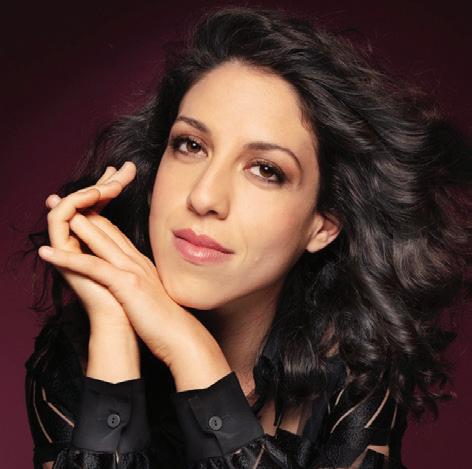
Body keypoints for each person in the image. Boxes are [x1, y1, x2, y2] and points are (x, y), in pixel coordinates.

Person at [23, 5, 472, 469]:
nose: (204, 197)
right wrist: (113, 336)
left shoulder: (354, 371)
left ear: (322, 225)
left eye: (266, 170)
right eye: (190, 145)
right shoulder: (76, 354)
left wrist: (189, 349)